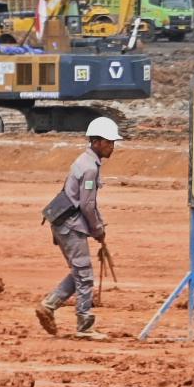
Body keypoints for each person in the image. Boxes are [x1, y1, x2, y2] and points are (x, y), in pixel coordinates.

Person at [35, 114, 120, 337]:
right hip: (71, 225)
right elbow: (87, 204)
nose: (112, 147)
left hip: (62, 222)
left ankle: (49, 305)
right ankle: (84, 325)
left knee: (80, 271)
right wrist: (98, 230)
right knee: (84, 275)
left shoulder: (84, 161)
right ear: (98, 142)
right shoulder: (90, 168)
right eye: (110, 142)